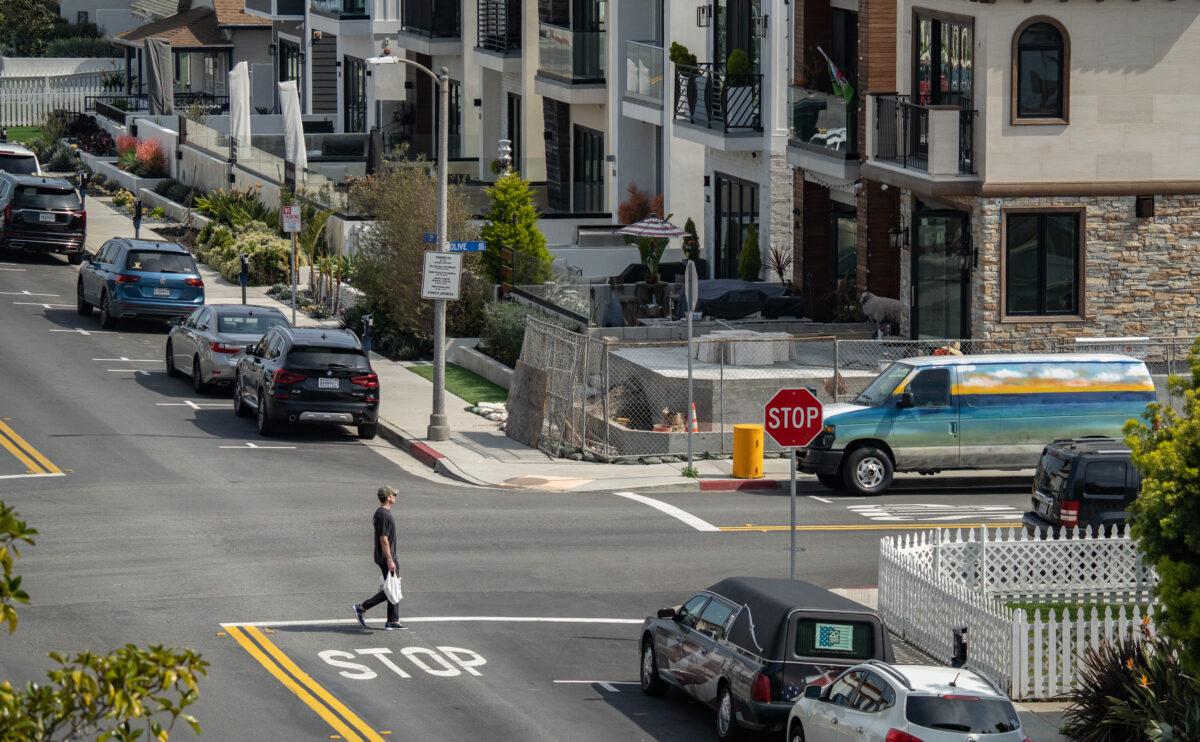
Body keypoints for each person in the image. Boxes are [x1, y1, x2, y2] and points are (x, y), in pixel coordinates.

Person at [353, 486, 406, 630]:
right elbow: (384, 539)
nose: (395, 496)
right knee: (392, 588)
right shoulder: (383, 514)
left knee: (392, 586)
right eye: (394, 494)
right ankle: (362, 607)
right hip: (387, 557)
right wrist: (390, 560)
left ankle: (392, 620)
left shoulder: (381, 513)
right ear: (388, 497)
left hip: (384, 555)